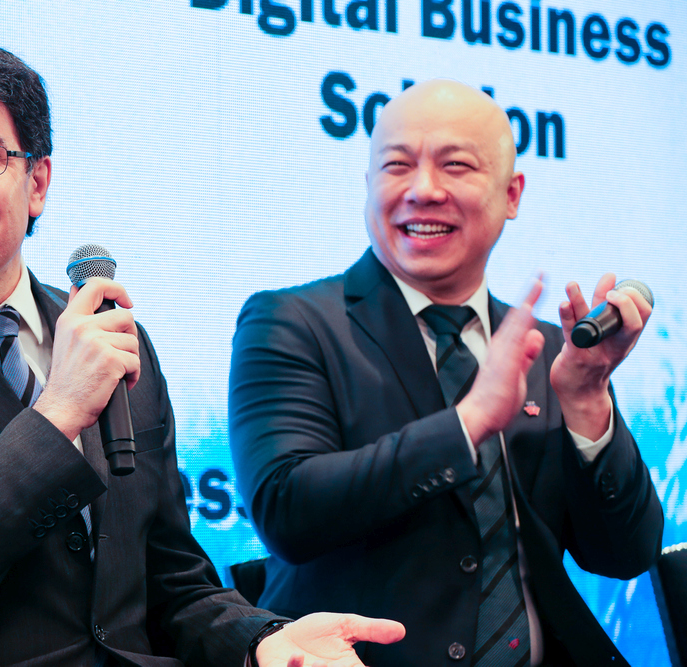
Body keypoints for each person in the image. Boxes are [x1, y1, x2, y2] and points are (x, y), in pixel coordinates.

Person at [0, 38, 405, 667]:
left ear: (37, 181)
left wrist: (261, 641)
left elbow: (172, 583)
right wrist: (56, 414)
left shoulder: (107, 336)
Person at [229, 79, 663, 667]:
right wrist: (468, 422)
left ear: (511, 194)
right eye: (397, 166)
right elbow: (287, 509)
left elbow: (626, 554)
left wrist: (587, 400)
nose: (423, 190)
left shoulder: (549, 350)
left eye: (455, 165)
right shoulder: (292, 322)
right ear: (368, 184)